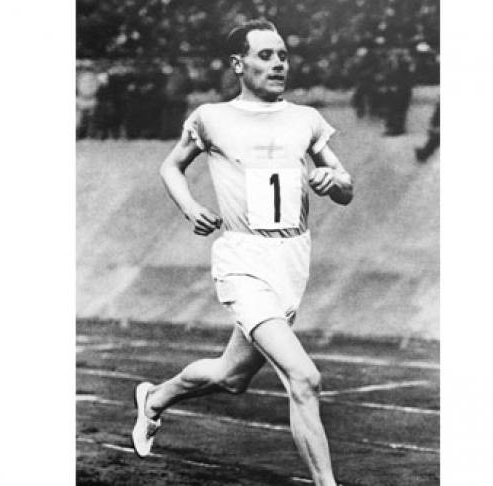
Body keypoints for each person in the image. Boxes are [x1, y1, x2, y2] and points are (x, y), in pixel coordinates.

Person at [132, 19, 353, 486]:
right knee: (304, 378)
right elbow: (171, 166)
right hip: (243, 262)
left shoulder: (306, 119)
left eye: (283, 55)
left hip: (292, 261)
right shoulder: (212, 117)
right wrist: (191, 207)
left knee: (231, 377)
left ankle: (154, 399)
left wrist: (332, 180)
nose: (278, 64)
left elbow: (346, 186)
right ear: (238, 64)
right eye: (266, 55)